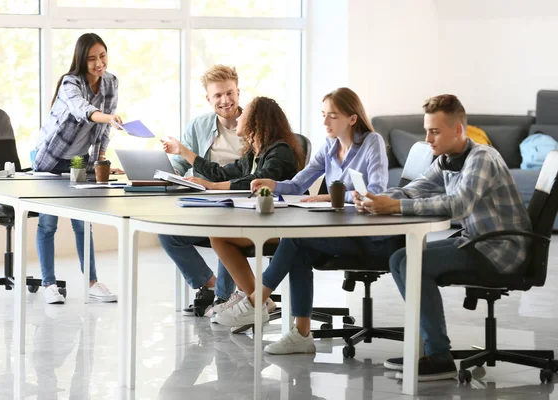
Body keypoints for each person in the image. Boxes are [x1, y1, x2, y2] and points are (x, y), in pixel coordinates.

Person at [355, 94, 531, 381]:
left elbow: (460, 204)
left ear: (458, 130)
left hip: (500, 247)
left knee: (412, 263)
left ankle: (439, 356)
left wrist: (396, 207)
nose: (428, 138)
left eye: (434, 131)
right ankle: (430, 348)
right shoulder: (447, 159)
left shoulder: (482, 158)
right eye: (427, 130)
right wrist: (374, 199)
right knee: (400, 258)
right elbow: (415, 189)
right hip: (477, 239)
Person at [212, 88, 397, 340]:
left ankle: (256, 302)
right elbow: (299, 184)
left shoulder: (370, 142)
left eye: (332, 116)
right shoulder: (330, 146)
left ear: (352, 119)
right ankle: (300, 335)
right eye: (323, 115)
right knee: (298, 244)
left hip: (365, 232)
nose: (325, 122)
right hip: (337, 229)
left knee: (296, 238)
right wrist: (274, 184)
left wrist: (332, 197)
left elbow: (376, 192)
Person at [161, 96, 305, 316]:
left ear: (257, 121)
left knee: (223, 232)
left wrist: (211, 186)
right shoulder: (254, 153)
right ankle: (256, 298)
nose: (239, 116)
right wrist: (184, 152)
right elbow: (221, 173)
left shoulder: (280, 151)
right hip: (258, 220)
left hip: (280, 226)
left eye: (244, 113)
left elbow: (256, 181)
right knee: (190, 233)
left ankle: (252, 299)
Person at [33, 33, 121, 304]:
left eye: (102, 56)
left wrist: (101, 160)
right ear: (81, 60)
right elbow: (82, 109)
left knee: (83, 224)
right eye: (92, 58)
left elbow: (104, 130)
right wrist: (108, 117)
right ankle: (49, 285)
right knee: (48, 224)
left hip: (78, 160)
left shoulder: (111, 82)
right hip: (50, 157)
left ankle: (92, 282)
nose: (98, 63)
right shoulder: (70, 83)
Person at [158, 65, 245, 316]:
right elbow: (180, 164)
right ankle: (209, 284)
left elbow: (256, 170)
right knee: (168, 234)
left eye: (229, 93)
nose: (225, 100)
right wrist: (167, 174)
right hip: (204, 204)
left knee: (225, 230)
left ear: (238, 92)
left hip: (239, 204)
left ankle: (223, 299)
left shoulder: (253, 124)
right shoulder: (199, 125)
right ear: (209, 99)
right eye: (217, 95)